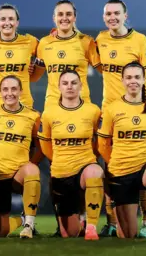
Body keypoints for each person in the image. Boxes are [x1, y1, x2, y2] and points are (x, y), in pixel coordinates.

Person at [95, 0, 146, 238]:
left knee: (144, 163)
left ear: (125, 15)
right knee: (110, 168)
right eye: (108, 13)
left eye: (116, 13)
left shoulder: (140, 40)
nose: (112, 17)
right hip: (110, 112)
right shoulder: (100, 40)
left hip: (138, 110)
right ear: (104, 17)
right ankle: (112, 222)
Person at [97, 61, 146, 239]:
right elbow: (103, 144)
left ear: (144, 80)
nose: (133, 81)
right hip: (120, 173)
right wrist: (117, 161)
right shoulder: (112, 109)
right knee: (128, 235)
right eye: (129, 77)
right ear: (122, 81)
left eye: (137, 77)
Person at [38, 70, 104, 240]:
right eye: (65, 83)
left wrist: (93, 158)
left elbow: (101, 141)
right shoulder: (49, 113)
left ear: (81, 86)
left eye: (74, 83)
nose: (70, 86)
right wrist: (60, 159)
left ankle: (91, 226)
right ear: (58, 87)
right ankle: (78, 223)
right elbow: (46, 146)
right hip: (61, 172)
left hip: (85, 166)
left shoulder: (93, 111)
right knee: (70, 234)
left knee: (95, 173)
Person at [0, 75, 42, 238]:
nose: (9, 93)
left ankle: (29, 225)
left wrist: (29, 165)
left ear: (20, 91)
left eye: (13, 89)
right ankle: (20, 219)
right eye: (5, 89)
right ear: (0, 92)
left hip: (19, 175)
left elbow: (40, 148)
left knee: (32, 170)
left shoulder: (33, 116)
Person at [0, 3, 45, 110]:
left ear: (17, 23)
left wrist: (36, 70)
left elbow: (48, 51)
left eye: (11, 19)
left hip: (23, 104)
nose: (7, 23)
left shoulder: (30, 41)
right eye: (3, 19)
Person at [36, 0, 100, 109]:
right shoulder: (44, 43)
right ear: (54, 18)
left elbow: (106, 71)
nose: (64, 18)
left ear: (74, 17)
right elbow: (34, 77)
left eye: (68, 14)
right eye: (60, 14)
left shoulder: (86, 42)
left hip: (81, 106)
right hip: (53, 107)